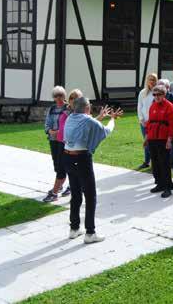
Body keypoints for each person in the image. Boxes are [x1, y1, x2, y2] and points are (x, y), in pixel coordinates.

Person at [63, 97, 122, 243]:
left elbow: (87, 124)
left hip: (67, 157)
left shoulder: (71, 118)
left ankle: (74, 229)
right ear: (87, 108)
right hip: (81, 158)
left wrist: (99, 117)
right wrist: (112, 119)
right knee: (90, 196)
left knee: (76, 194)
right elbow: (105, 131)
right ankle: (90, 233)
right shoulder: (88, 120)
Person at [145, 85, 173, 198]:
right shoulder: (152, 106)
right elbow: (149, 123)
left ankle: (168, 186)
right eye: (154, 94)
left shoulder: (169, 106)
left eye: (159, 94)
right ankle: (160, 183)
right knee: (155, 162)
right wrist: (146, 138)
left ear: (164, 94)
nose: (156, 97)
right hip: (153, 138)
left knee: (164, 163)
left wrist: (169, 140)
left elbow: (172, 125)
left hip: (163, 138)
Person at [42, 86, 70, 203]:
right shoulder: (52, 109)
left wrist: (61, 132)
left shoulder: (68, 109)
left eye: (60, 95)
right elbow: (47, 124)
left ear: (64, 96)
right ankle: (62, 185)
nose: (58, 98)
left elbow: (69, 123)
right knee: (56, 164)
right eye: (56, 96)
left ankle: (56, 189)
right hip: (53, 140)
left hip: (63, 140)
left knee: (62, 164)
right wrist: (50, 131)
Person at [158, 78, 173, 179]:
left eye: (162, 86)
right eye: (158, 86)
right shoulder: (156, 97)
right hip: (158, 131)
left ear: (167, 88)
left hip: (169, 130)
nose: (159, 88)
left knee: (171, 153)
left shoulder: (172, 97)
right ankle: (163, 178)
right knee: (161, 155)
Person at [137, 73, 158, 169]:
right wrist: (141, 119)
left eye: (153, 79)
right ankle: (146, 161)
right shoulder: (142, 93)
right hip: (144, 122)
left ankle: (155, 162)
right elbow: (139, 106)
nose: (152, 81)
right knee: (146, 142)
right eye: (150, 79)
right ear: (147, 81)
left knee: (154, 142)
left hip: (154, 122)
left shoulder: (158, 92)